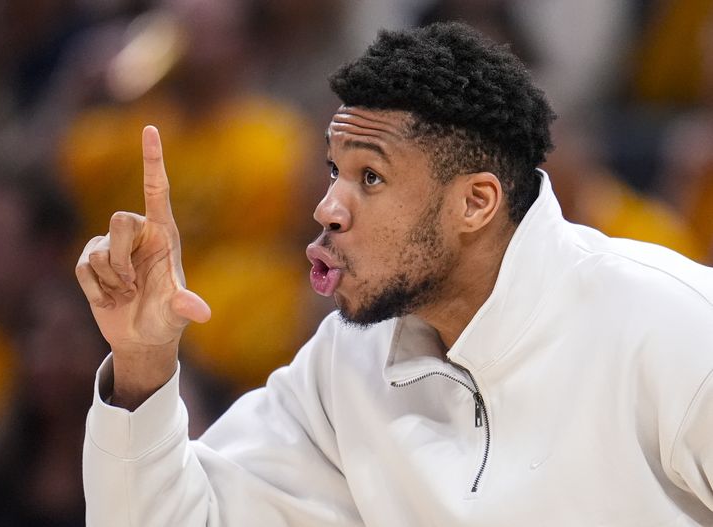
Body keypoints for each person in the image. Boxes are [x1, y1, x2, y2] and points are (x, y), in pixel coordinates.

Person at [77, 22, 713, 525]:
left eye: (370, 178)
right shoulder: (342, 367)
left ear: (476, 203)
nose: (326, 207)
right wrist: (143, 361)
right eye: (334, 171)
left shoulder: (672, 326)